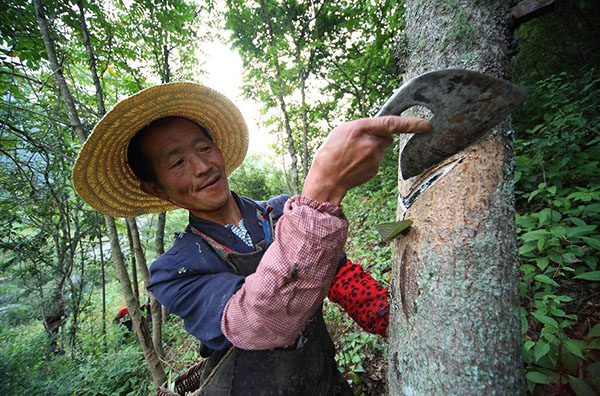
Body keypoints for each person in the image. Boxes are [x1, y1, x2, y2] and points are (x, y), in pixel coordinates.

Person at [73, 83, 430, 395]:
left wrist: (398, 322)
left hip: (321, 382)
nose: (201, 166)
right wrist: (325, 191)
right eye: (177, 163)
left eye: (203, 148)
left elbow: (339, 276)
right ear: (157, 188)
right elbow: (256, 320)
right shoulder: (174, 271)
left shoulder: (282, 212)